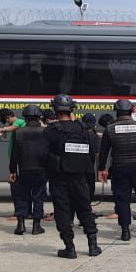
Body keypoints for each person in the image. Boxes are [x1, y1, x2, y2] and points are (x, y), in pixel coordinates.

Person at [43, 94, 101, 258]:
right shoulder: (83, 129)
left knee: (62, 212)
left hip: (58, 177)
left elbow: (43, 155)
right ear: (72, 109)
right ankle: (93, 246)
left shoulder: (51, 130)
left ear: (55, 109)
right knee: (85, 209)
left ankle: (70, 248)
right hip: (79, 176)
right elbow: (92, 152)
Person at [98, 99, 136, 241]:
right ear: (131, 111)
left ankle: (125, 231)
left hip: (120, 168)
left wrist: (102, 169)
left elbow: (104, 151)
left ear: (116, 111)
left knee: (122, 199)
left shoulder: (110, 129)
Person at [9, 104, 48, 236]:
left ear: (25, 117)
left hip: (24, 169)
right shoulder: (46, 131)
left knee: (22, 196)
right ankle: (36, 226)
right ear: (39, 117)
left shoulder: (18, 132)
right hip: (41, 169)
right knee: (38, 197)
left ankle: (20, 224)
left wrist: (12, 171)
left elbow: (14, 154)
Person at [80, 113, 100, 201]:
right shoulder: (95, 136)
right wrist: (101, 168)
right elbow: (97, 154)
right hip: (89, 168)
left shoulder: (78, 134)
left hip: (77, 167)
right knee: (90, 188)